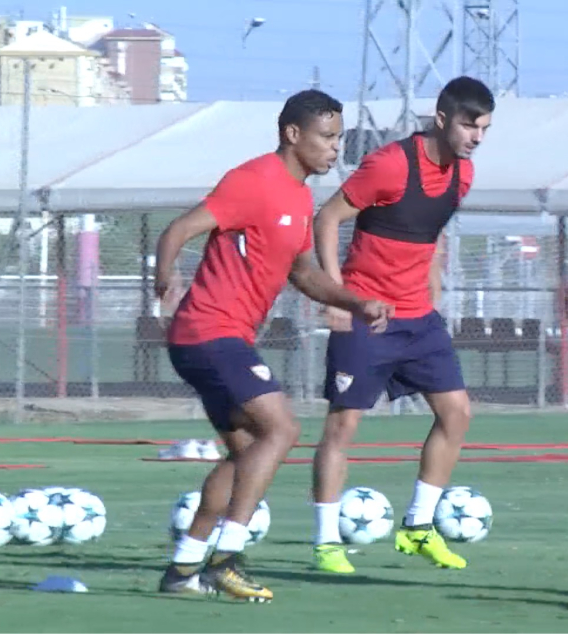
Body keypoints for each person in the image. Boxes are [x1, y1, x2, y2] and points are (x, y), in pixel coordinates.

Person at [153, 89, 392, 602]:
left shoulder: (299, 197)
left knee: (243, 456)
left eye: (339, 138)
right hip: (207, 331)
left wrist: (356, 302)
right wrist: (164, 275)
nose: (336, 149)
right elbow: (180, 228)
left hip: (220, 337)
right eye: (327, 138)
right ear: (292, 135)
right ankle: (226, 560)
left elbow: (303, 273)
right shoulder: (254, 180)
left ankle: (182, 569)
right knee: (282, 428)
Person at [308, 76, 495, 574]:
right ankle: (327, 542)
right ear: (441, 119)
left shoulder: (465, 175)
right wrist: (335, 294)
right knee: (343, 426)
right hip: (367, 318)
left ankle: (417, 528)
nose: (476, 137)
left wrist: (433, 273)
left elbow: (425, 231)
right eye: (468, 125)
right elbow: (326, 219)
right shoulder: (390, 164)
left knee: (456, 414)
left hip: (419, 321)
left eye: (484, 129)